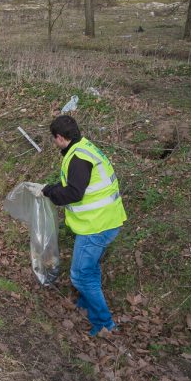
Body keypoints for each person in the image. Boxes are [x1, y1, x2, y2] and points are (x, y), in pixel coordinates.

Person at [38, 115, 127, 336]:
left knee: (80, 275)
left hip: (97, 225)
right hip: (107, 220)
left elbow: (74, 193)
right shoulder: (84, 147)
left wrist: (50, 192)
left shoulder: (78, 158)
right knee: (91, 268)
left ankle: (104, 323)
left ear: (59, 137)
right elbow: (76, 184)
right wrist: (53, 187)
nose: (54, 142)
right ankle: (87, 304)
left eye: (54, 139)